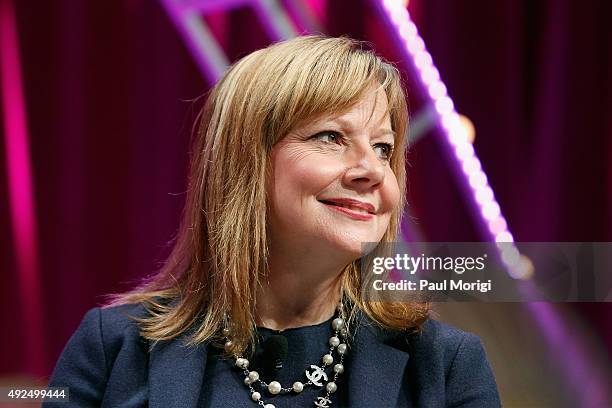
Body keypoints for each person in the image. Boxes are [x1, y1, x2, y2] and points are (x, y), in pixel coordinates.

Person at [44, 35, 501, 407]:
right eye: (331, 137)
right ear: (245, 162)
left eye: (383, 147)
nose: (373, 170)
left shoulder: (445, 364)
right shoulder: (112, 348)